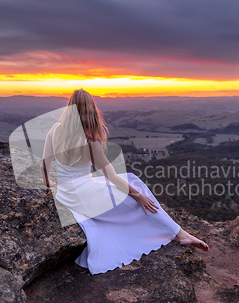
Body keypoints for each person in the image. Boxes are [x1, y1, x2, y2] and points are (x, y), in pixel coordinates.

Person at [41, 89, 208, 275]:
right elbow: (110, 175)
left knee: (132, 181)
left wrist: (50, 184)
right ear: (90, 111)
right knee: (135, 193)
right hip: (85, 195)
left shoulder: (54, 131)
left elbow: (44, 164)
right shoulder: (90, 142)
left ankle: (179, 232)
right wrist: (138, 197)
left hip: (66, 194)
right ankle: (180, 234)